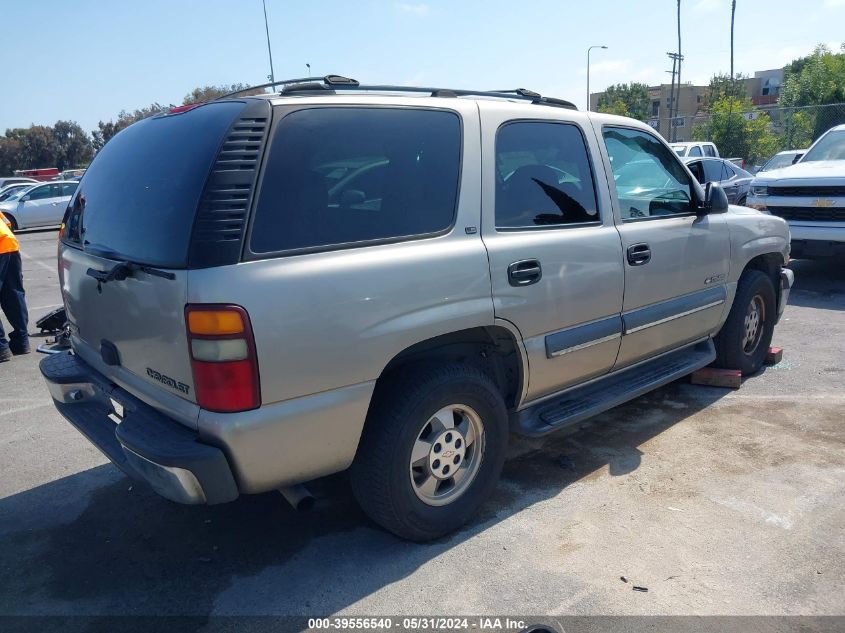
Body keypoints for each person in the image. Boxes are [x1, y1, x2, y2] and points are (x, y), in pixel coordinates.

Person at [0, 211, 29, 362]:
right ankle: (21, 342)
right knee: (13, 293)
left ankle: (1, 348)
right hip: (9, 244)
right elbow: (7, 223)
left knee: (12, 293)